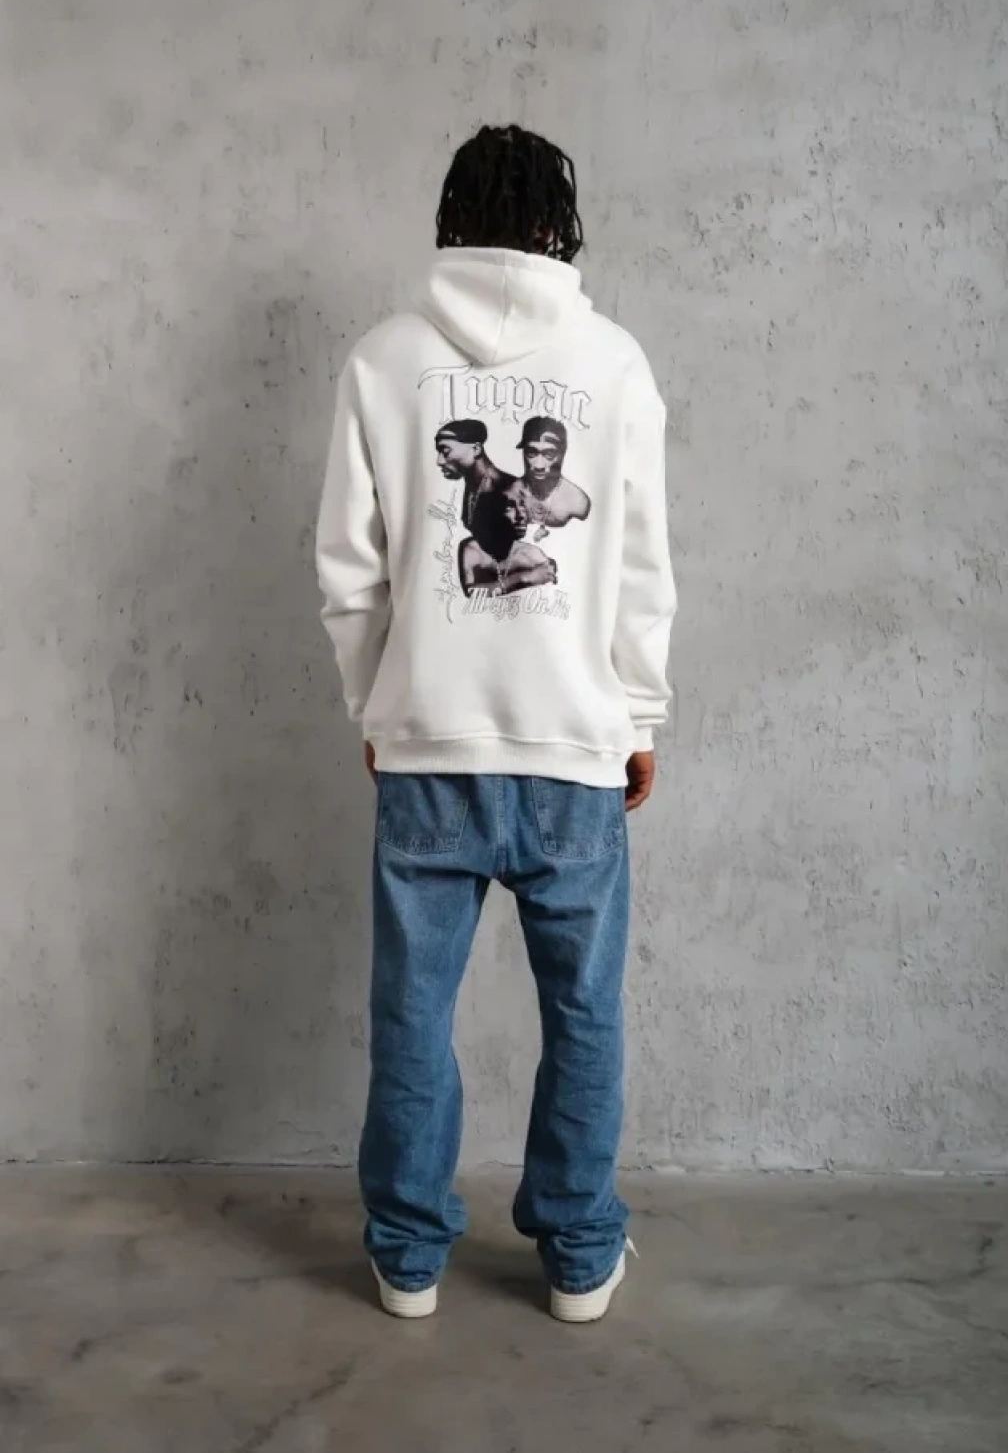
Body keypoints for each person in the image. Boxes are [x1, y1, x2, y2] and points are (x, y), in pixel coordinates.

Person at [316, 123, 676, 1323]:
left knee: (412, 1012)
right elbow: (639, 567)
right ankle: (578, 1256)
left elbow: (348, 569)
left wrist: (377, 705)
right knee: (584, 1012)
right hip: (573, 746)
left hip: (428, 744)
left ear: (452, 216)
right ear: (556, 225)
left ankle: (408, 1258)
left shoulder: (383, 357)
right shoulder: (614, 362)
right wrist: (638, 712)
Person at [458, 481, 557, 595]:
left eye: (523, 505)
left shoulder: (533, 556)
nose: (521, 515)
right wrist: (522, 578)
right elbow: (470, 592)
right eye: (509, 506)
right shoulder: (473, 549)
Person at [515, 415, 591, 537]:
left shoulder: (577, 502)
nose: (539, 465)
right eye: (531, 453)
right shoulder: (508, 493)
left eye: (549, 454)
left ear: (562, 453)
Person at [434, 419, 511, 536]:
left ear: (476, 449)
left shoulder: (508, 487)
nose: (439, 461)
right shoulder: (473, 484)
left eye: (445, 451)